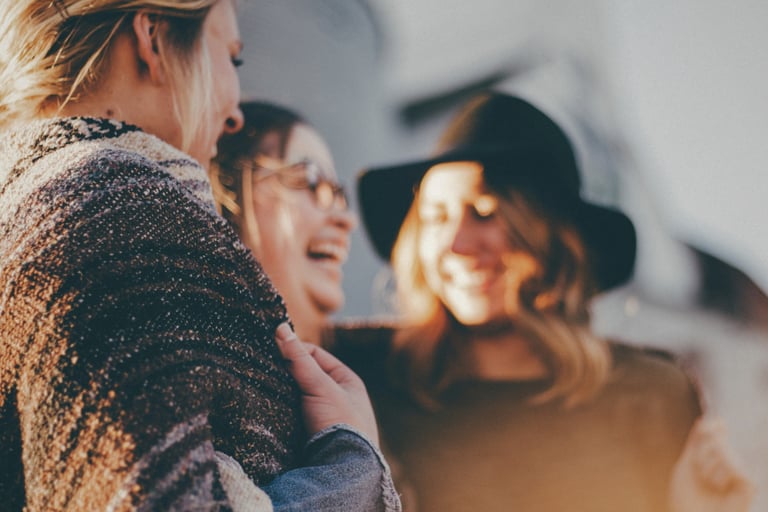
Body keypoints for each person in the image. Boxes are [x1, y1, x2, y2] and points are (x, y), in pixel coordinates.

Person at [0, 1, 399, 511]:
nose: (235, 114)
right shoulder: (124, 209)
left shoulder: (34, 211)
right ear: (155, 39)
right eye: (232, 59)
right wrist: (353, 460)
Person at [329, 91, 752, 511]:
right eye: (436, 217)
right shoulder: (362, 377)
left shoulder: (652, 395)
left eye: (484, 211)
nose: (456, 245)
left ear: (551, 238)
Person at [211, 101, 356, 345]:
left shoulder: (394, 371)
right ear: (227, 197)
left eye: (338, 192)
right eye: (311, 180)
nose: (346, 219)